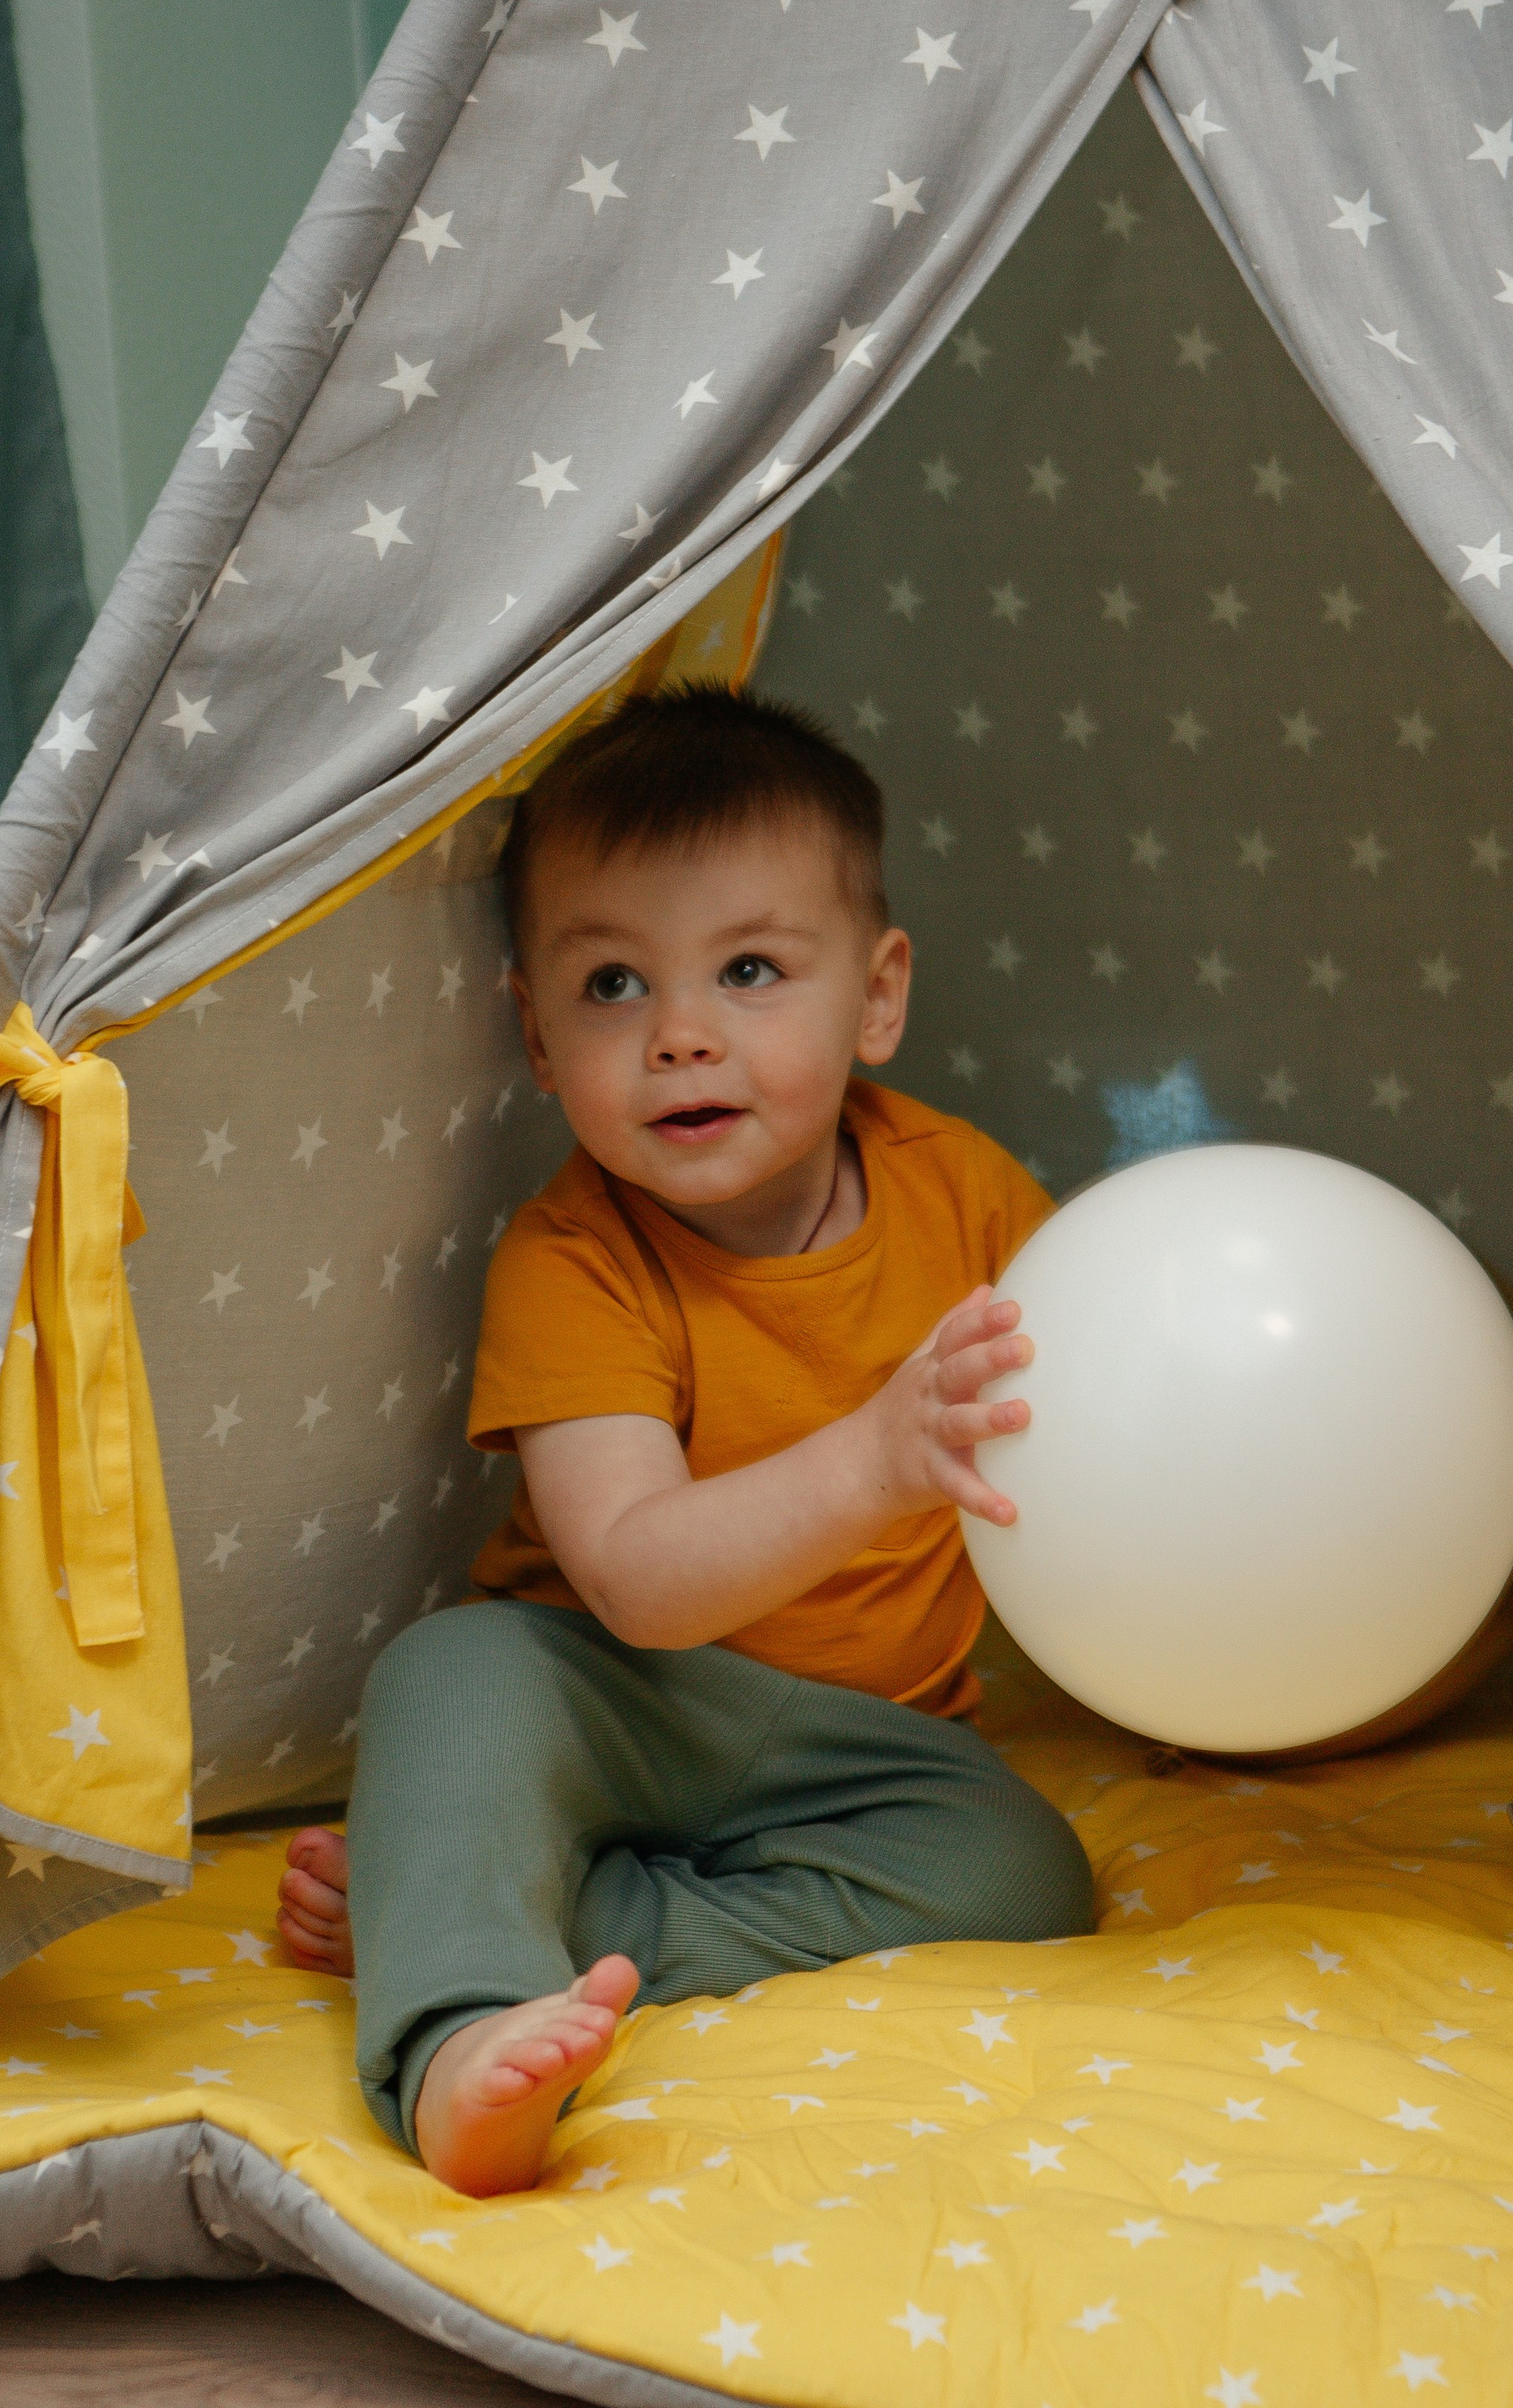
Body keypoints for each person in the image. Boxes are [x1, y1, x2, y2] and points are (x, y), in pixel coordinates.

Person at [277, 684, 1093, 2195]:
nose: (682, 1037)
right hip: (617, 1696)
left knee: (1027, 1870)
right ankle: (458, 2029)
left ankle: (524, 1909)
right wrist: (871, 1458)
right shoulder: (572, 1258)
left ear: (879, 995)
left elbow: (1106, 1440)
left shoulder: (969, 1197)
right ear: (533, 1030)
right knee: (449, 1675)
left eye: (752, 970)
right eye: (611, 990)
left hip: (869, 1746)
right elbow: (642, 1584)